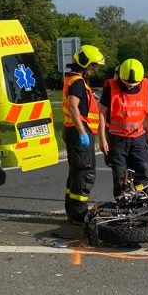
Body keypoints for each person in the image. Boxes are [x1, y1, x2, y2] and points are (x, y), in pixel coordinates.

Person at [98, 58, 148, 198]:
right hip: (117, 139)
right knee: (120, 175)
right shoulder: (111, 87)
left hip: (138, 138)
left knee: (142, 170)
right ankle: (122, 202)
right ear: (120, 76)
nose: (130, 86)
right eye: (127, 83)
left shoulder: (146, 85)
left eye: (134, 83)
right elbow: (102, 113)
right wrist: (102, 139)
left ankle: (144, 199)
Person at [62, 44, 105, 223]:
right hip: (79, 130)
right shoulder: (78, 82)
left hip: (72, 129)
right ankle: (79, 213)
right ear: (85, 63)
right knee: (85, 172)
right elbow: (73, 105)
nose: (94, 69)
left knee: (75, 171)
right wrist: (82, 132)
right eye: (93, 65)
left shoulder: (72, 79)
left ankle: (72, 210)